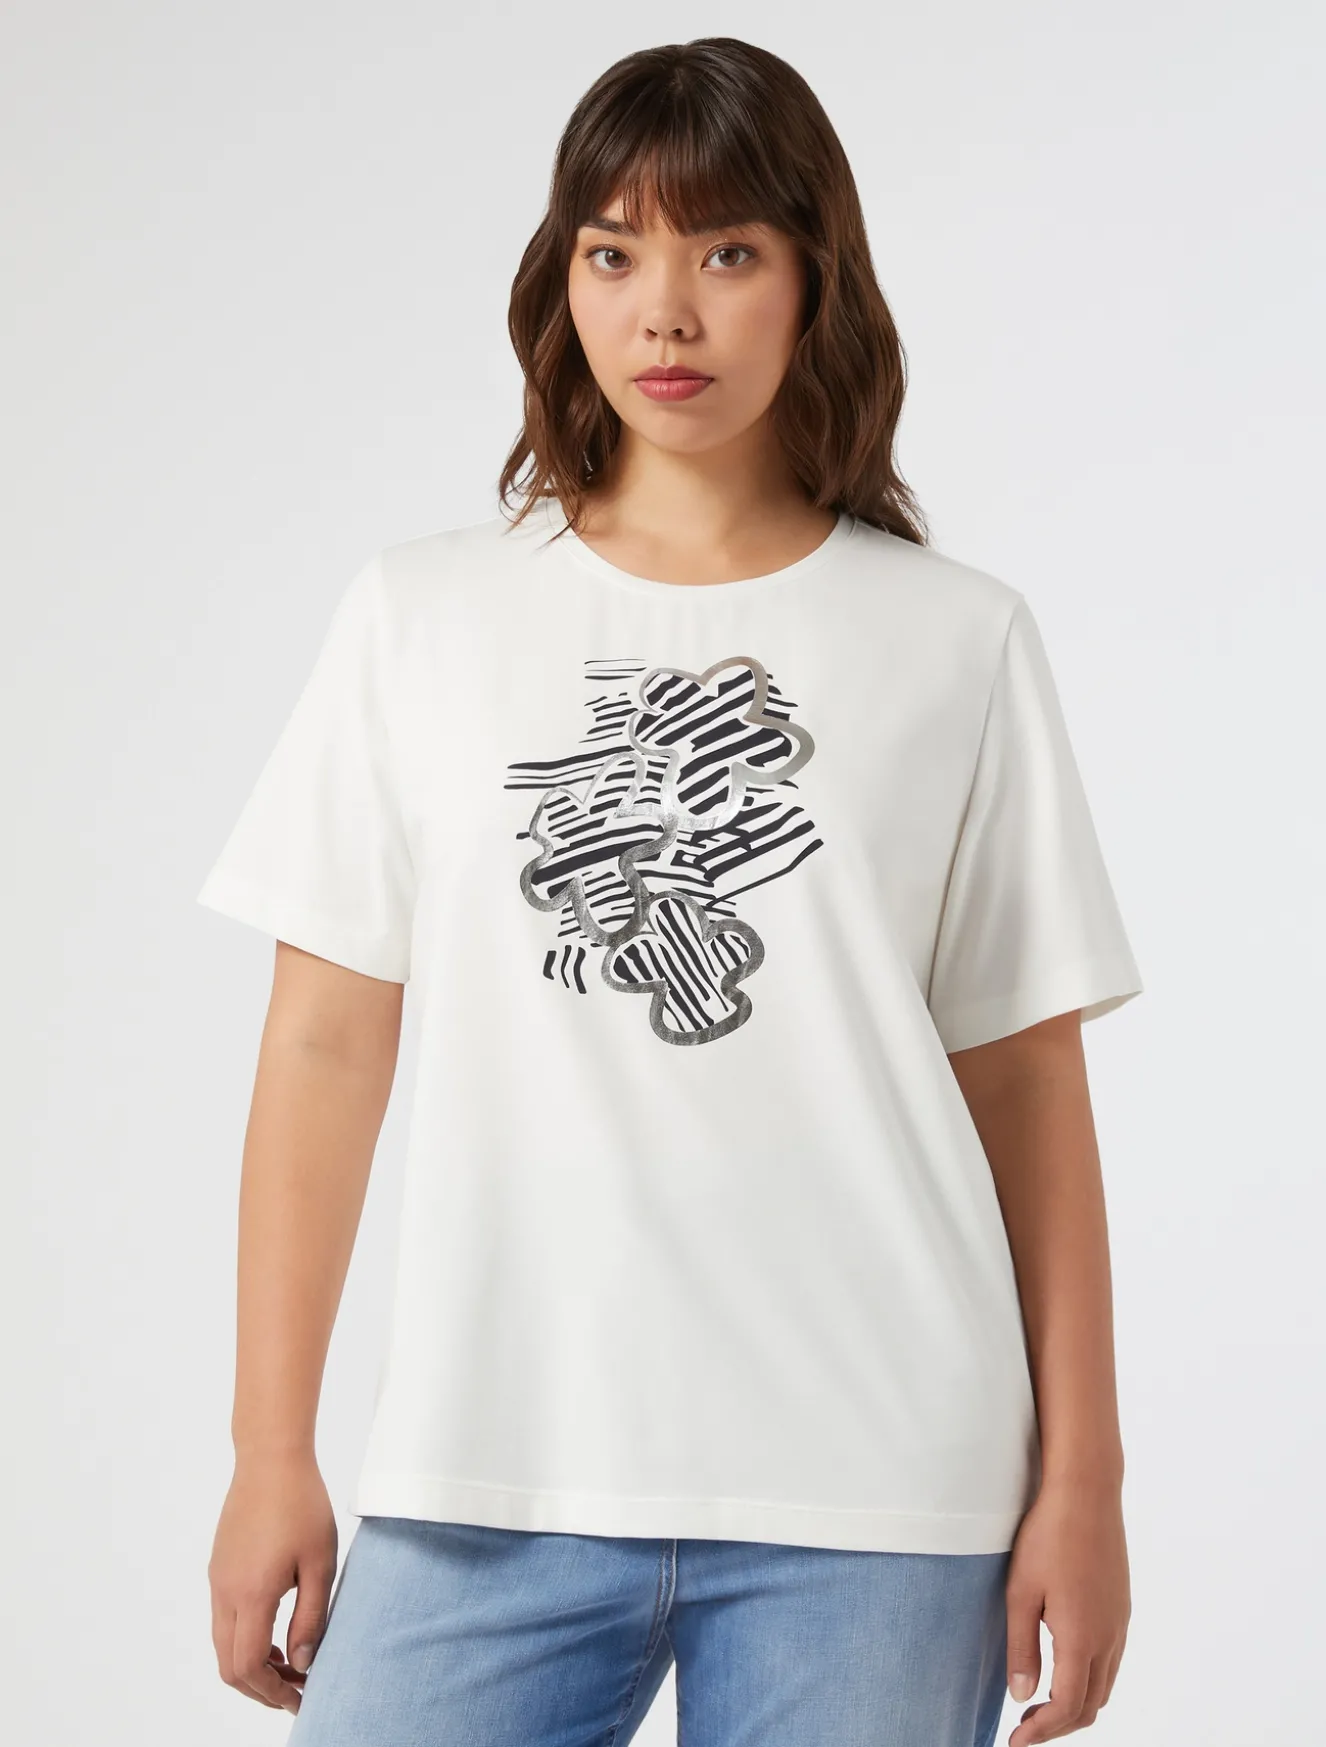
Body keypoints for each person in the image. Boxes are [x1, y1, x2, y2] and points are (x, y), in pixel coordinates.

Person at [198, 36, 1144, 1747]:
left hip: (878, 1489)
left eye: (726, 251)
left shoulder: (955, 641)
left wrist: (1084, 1480)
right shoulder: (423, 619)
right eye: (613, 251)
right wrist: (271, 1447)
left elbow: (1024, 1082)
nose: (665, 313)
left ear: (812, 279)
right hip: (490, 1465)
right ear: (559, 280)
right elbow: (325, 1045)